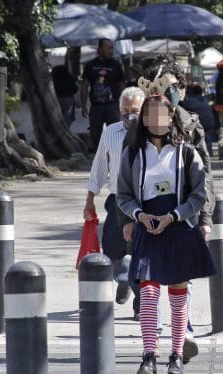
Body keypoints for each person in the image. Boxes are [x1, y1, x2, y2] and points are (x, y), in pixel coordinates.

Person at [122, 55, 215, 364]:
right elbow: (125, 185)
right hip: (147, 221)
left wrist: (203, 218)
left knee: (178, 286)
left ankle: (179, 341)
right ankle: (151, 350)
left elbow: (204, 180)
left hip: (180, 219)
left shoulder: (190, 127)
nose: (169, 93)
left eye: (173, 87)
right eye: (162, 87)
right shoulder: (133, 137)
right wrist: (132, 217)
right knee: (148, 290)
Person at [83, 86, 145, 305]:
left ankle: (141, 302)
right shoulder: (110, 132)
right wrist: (90, 199)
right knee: (112, 248)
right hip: (117, 200)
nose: (130, 113)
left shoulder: (153, 132)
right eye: (125, 109)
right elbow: (99, 166)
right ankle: (124, 278)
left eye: (135, 109)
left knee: (142, 252)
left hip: (145, 201)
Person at [81, 38, 126, 151]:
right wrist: (83, 105)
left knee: (115, 132)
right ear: (100, 49)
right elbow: (85, 86)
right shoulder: (90, 65)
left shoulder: (116, 65)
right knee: (95, 133)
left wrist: (124, 103)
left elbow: (122, 85)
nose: (111, 51)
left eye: (112, 48)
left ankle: (114, 154)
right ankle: (98, 156)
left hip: (113, 105)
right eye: (108, 48)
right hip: (96, 107)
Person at [180, 85, 217, 157]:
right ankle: (210, 153)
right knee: (207, 136)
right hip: (209, 122)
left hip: (200, 123)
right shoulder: (205, 99)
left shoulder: (189, 101)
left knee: (198, 136)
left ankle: (201, 154)